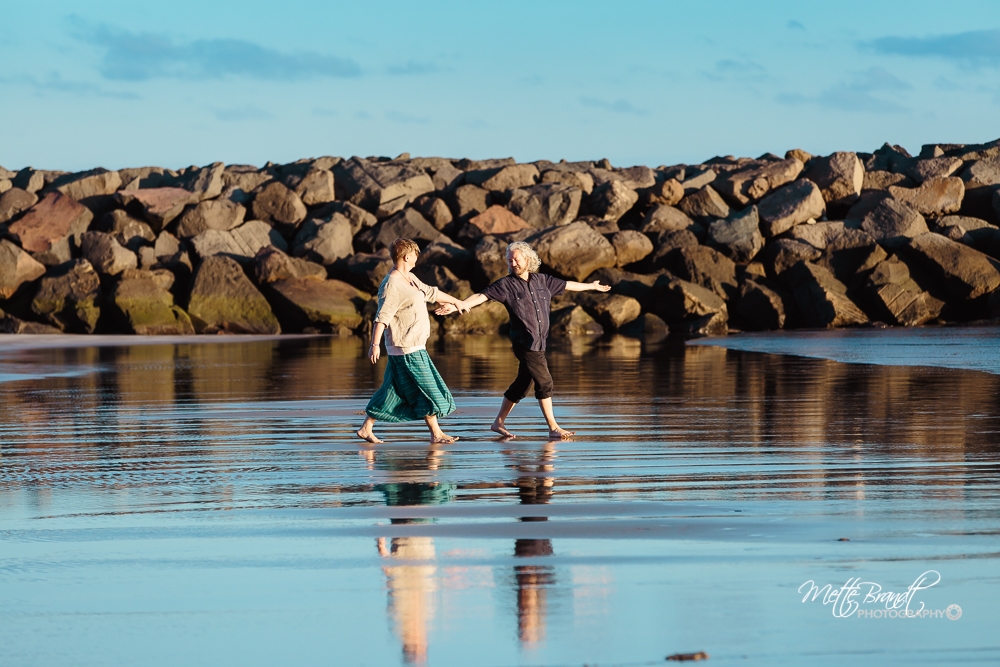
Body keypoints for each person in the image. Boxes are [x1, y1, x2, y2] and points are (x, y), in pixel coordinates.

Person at [436, 241, 610, 439]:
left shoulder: (543, 280)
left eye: (516, 259)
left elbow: (567, 284)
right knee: (545, 382)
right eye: (509, 261)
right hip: (525, 343)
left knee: (523, 384)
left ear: (527, 259)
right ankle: (553, 427)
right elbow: (481, 296)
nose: (513, 264)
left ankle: (498, 422)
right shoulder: (505, 285)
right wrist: (457, 304)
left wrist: (591, 286)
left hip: (540, 342)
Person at [357, 238, 469, 444]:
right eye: (416, 254)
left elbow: (432, 293)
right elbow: (382, 317)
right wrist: (375, 345)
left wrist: (456, 302)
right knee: (429, 388)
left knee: (393, 390)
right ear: (407, 256)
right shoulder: (391, 284)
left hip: (413, 346)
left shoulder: (409, 277)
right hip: (406, 348)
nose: (418, 258)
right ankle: (436, 433)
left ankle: (367, 427)